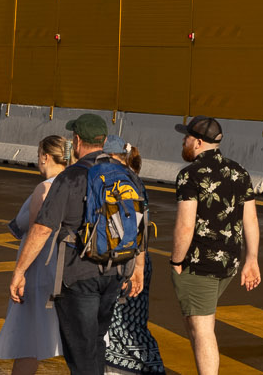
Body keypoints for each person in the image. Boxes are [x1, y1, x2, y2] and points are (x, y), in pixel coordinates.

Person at [10, 114, 146, 375]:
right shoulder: (127, 174)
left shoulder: (70, 177)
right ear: (104, 141)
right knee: (95, 344)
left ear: (77, 140)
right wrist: (137, 267)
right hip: (115, 271)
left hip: (78, 274)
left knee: (80, 352)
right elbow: (140, 224)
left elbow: (41, 228)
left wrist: (20, 271)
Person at [168, 116, 259, 373]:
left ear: (197, 142)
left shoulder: (189, 175)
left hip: (199, 264)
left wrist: (176, 261)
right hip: (228, 262)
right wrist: (251, 259)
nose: (184, 141)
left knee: (202, 331)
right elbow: (250, 218)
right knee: (200, 323)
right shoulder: (239, 171)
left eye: (186, 137)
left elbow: (185, 226)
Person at [0, 135, 70, 375]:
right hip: (65, 269)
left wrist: (21, 272)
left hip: (39, 272)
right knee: (68, 338)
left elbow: (39, 232)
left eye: (39, 156)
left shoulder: (44, 188)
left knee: (27, 339)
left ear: (45, 157)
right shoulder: (75, 184)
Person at [102, 145, 168, 375]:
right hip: (140, 261)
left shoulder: (116, 182)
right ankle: (149, 366)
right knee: (133, 323)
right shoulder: (135, 180)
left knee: (119, 324)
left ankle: (139, 367)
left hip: (123, 263)